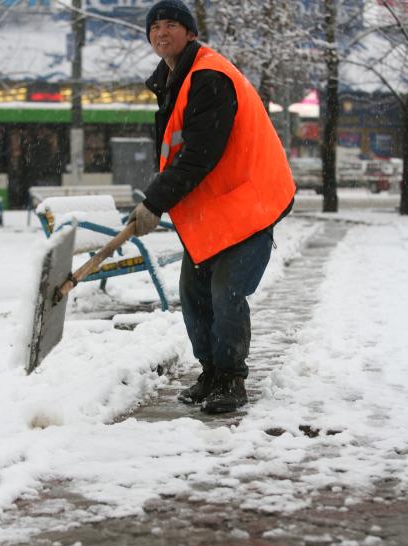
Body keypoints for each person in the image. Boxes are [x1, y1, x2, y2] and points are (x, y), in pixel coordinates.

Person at [127, 0, 295, 414]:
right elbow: (182, 152)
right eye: (154, 28)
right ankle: (211, 374)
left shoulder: (208, 77)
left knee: (226, 292)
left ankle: (232, 380)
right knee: (195, 292)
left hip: (249, 201)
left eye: (171, 25)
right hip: (217, 207)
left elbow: (201, 152)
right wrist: (163, 198)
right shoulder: (174, 78)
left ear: (190, 32)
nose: (161, 34)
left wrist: (155, 201)